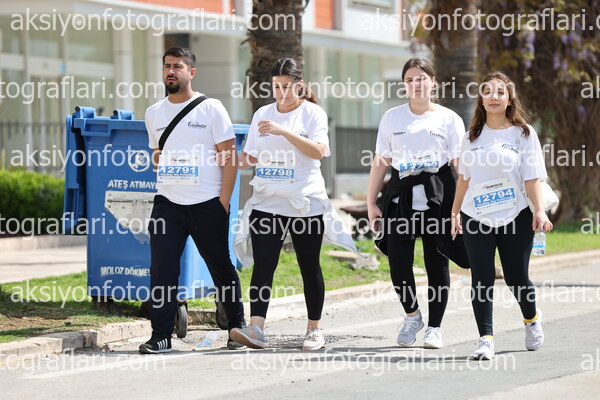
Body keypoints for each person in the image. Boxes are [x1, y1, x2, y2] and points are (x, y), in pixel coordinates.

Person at [219, 58, 360, 351]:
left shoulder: (312, 114)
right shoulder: (263, 114)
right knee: (264, 264)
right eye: (276, 86)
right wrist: (227, 158)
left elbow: (318, 151)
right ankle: (256, 328)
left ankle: (314, 330)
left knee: (309, 265)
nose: (281, 93)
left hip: (304, 202)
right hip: (267, 201)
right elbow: (251, 158)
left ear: (299, 85)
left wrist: (283, 131)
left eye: (286, 86)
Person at [139, 47, 245, 354]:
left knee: (220, 268)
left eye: (178, 66)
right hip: (167, 204)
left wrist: (223, 202)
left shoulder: (211, 108)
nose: (171, 71)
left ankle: (236, 329)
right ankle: (161, 336)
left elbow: (229, 157)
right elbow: (157, 154)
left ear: (191, 72)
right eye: (167, 66)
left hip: (207, 203)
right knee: (161, 270)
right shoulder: (153, 113)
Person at [451, 71, 553, 360]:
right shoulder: (470, 137)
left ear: (509, 99)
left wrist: (539, 210)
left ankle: (531, 319)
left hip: (515, 215)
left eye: (500, 92)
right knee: (481, 278)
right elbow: (464, 179)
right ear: (481, 100)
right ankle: (485, 338)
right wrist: (455, 212)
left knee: (516, 277)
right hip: (476, 215)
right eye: (487, 92)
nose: (493, 97)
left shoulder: (523, 134)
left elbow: (532, 177)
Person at [367, 58, 465, 349]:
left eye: (421, 78)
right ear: (404, 85)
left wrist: (461, 207)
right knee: (398, 261)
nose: (416, 84)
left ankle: (435, 327)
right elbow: (381, 161)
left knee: (437, 261)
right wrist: (371, 202)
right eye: (410, 80)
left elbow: (460, 166)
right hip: (401, 194)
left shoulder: (449, 118)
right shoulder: (392, 117)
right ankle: (412, 316)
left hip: (439, 193)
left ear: (433, 82)